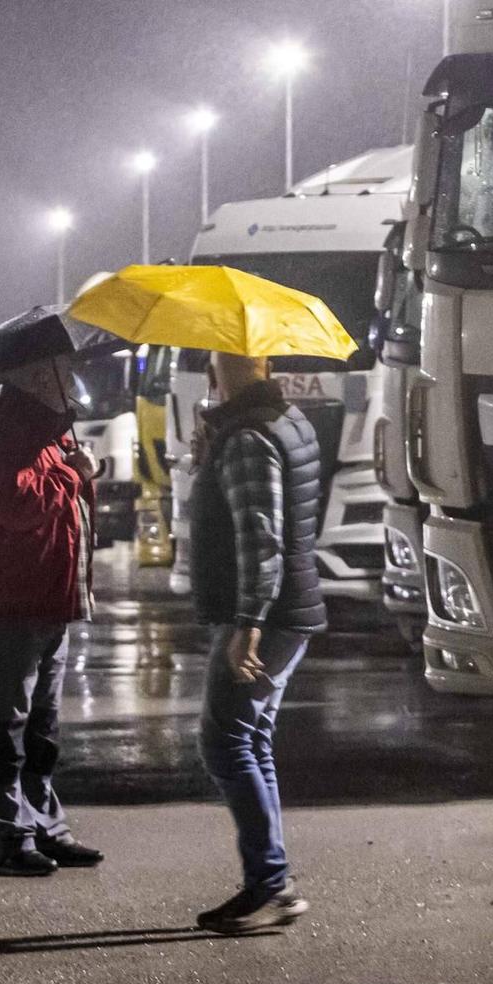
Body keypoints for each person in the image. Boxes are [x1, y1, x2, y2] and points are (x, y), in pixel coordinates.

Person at [0, 360, 103, 877]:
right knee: (0, 726)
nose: (69, 381)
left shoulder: (45, 436)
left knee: (41, 731)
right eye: (60, 371)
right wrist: (77, 473)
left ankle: (45, 828)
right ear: (33, 378)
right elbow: (19, 505)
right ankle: (9, 836)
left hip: (49, 600)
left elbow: (67, 510)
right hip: (3, 603)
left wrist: (76, 469)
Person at [188, 351, 327, 935]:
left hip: (264, 616)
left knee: (224, 744)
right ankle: (273, 883)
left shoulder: (249, 436)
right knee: (251, 738)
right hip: (289, 607)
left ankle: (271, 885)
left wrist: (248, 620)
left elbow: (260, 535)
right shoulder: (285, 418)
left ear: (225, 364)